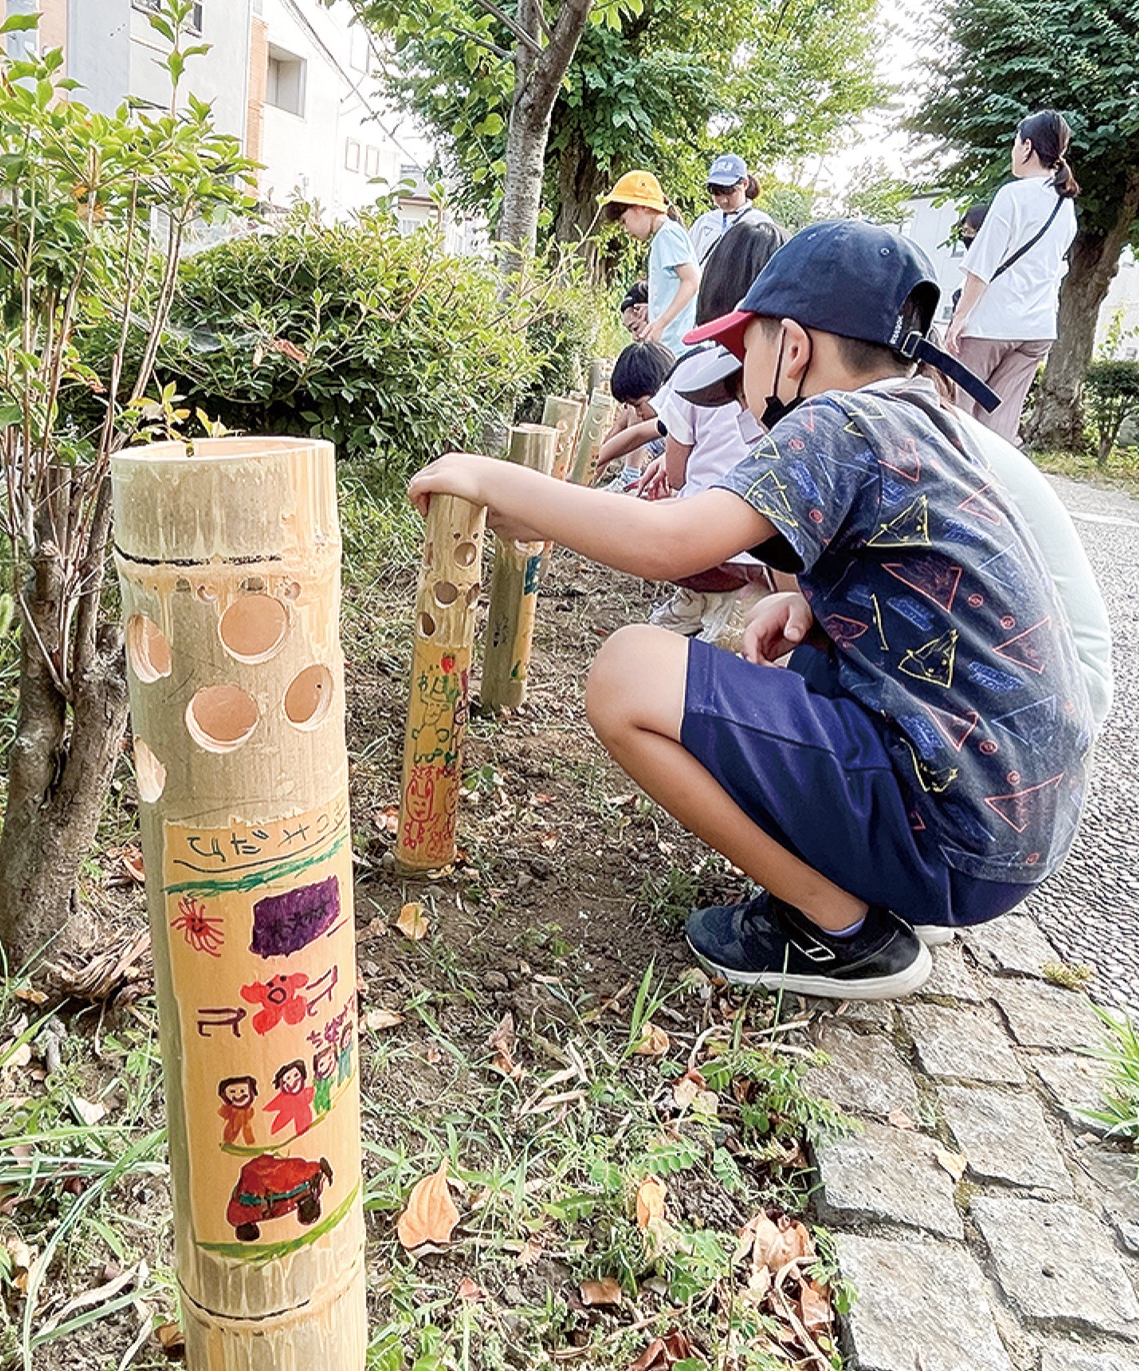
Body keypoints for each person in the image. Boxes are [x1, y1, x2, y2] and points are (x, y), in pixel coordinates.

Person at [408, 220, 1095, 1001]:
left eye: (746, 353)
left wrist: (492, 479)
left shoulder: (839, 421)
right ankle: (890, 890)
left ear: (793, 348)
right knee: (792, 652)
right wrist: (810, 612)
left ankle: (839, 929)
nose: (739, 376)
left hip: (954, 829)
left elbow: (669, 540)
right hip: (1015, 823)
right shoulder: (932, 422)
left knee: (628, 673)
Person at [641, 218, 790, 641]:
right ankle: (727, 616)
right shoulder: (793, 385)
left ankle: (700, 611)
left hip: (697, 552)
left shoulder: (695, 369)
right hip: (759, 563)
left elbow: (676, 475)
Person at [946, 110, 1080, 445]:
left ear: (1027, 147)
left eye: (1015, 143)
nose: (1013, 150)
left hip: (991, 325)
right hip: (1036, 331)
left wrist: (958, 319)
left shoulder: (1013, 195)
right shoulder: (1065, 206)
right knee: (998, 430)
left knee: (957, 417)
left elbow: (982, 265)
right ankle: (992, 490)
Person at [602, 170, 701, 356]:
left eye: (624, 221)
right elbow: (676, 285)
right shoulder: (664, 236)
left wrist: (661, 323)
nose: (626, 229)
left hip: (676, 348)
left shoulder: (667, 235)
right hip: (672, 347)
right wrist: (655, 308)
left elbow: (692, 281)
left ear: (641, 207)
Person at [594, 340, 676, 492]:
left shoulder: (680, 413)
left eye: (638, 405)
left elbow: (637, 435)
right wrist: (589, 469)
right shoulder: (657, 418)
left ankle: (630, 478)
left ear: (660, 389)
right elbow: (630, 435)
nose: (637, 412)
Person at [688, 154, 773, 265]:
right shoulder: (704, 223)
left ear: (745, 184)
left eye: (729, 191)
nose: (723, 200)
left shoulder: (760, 222)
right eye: (716, 192)